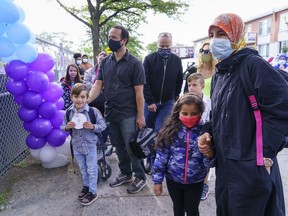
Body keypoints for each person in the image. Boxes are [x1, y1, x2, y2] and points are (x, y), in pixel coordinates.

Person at [198, 13, 288, 215]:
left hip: (252, 167)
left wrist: (266, 153)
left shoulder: (253, 65)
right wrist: (208, 134)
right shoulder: (220, 73)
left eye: (221, 33)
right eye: (212, 34)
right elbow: (219, 115)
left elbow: (282, 106)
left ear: (237, 35)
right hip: (226, 166)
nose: (215, 40)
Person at [87, 25, 147, 194]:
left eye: (114, 37)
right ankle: (126, 173)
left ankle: (140, 176)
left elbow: (139, 93)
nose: (110, 40)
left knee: (131, 147)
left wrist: (140, 116)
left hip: (128, 113)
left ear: (124, 40)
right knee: (118, 146)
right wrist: (86, 102)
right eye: (109, 36)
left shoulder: (135, 64)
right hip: (110, 112)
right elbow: (98, 85)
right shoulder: (105, 62)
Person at [152, 92, 215, 216]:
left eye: (194, 114)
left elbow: (209, 163)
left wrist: (209, 152)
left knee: (192, 210)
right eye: (185, 113)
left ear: (201, 113)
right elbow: (161, 158)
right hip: (173, 181)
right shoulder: (170, 131)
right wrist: (157, 181)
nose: (189, 117)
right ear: (178, 113)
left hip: (195, 182)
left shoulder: (205, 133)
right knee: (178, 208)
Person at [143, 32, 183, 173]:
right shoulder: (149, 59)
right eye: (161, 46)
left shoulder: (176, 61)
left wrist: (175, 97)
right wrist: (150, 101)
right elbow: (144, 81)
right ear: (157, 44)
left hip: (167, 103)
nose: (164, 48)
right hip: (150, 103)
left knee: (161, 131)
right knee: (148, 133)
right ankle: (149, 159)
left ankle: (158, 161)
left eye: (167, 46)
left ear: (171, 45)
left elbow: (179, 80)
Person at [61, 83, 107, 206]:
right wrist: (67, 127)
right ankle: (86, 187)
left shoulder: (93, 111)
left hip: (90, 146)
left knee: (92, 169)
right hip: (77, 146)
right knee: (83, 169)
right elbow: (62, 127)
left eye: (82, 97)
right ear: (71, 97)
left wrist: (93, 126)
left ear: (87, 98)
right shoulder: (68, 112)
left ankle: (93, 192)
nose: (79, 100)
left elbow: (103, 126)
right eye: (76, 96)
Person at [187, 73, 211, 201]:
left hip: (203, 134)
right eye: (189, 85)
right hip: (188, 135)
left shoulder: (208, 102)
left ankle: (205, 184)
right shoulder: (183, 99)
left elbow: (209, 119)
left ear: (202, 86)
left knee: (204, 160)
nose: (191, 88)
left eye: (194, 85)